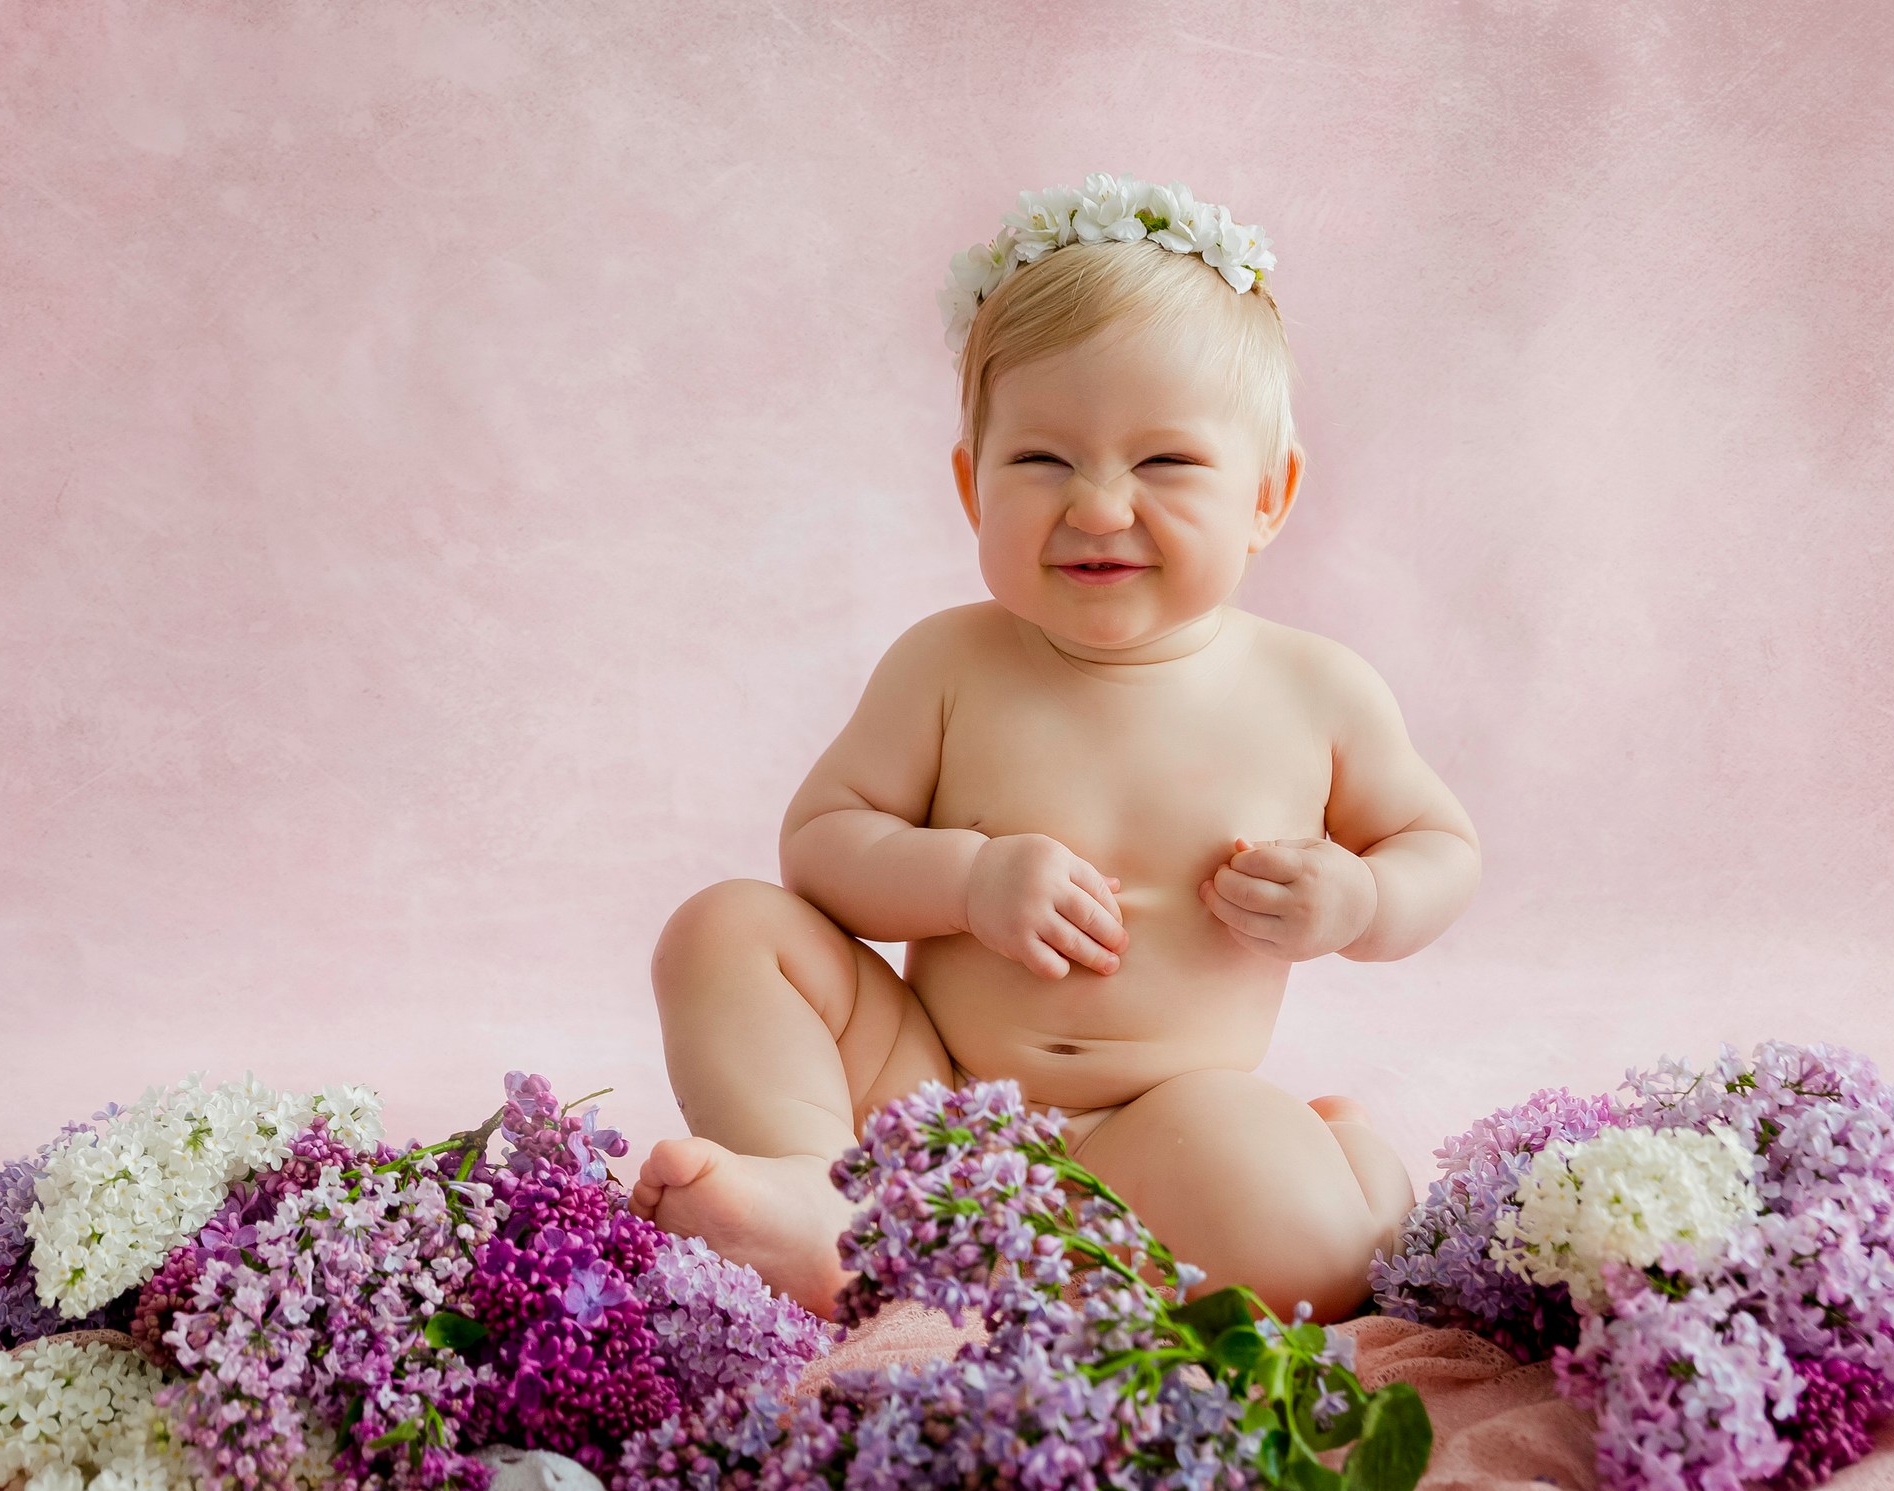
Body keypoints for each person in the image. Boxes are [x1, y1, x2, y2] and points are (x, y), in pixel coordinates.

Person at [631, 174, 1481, 1323]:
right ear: (970, 485)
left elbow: (1440, 846)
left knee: (1314, 1256)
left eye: (1167, 464)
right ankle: (815, 1191)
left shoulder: (1314, 689)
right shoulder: (948, 665)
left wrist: (1362, 898)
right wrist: (966, 878)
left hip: (1162, 1126)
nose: (1095, 508)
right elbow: (821, 849)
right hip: (927, 1096)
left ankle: (1336, 1182)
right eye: (1041, 462)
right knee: (726, 930)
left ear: (1268, 496)